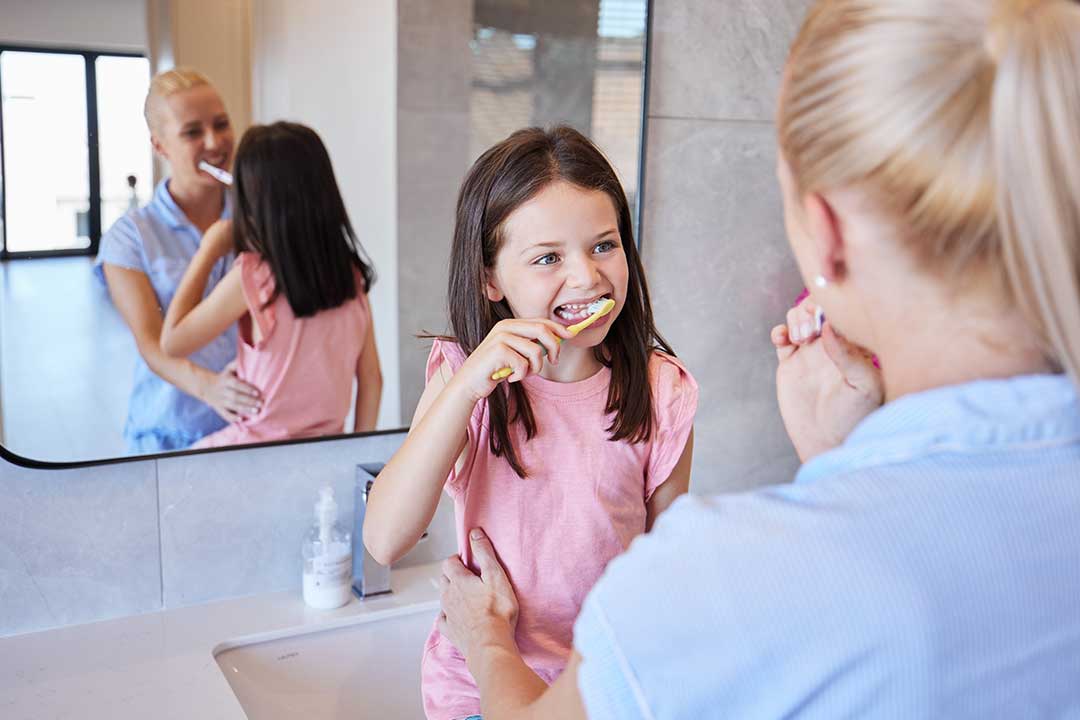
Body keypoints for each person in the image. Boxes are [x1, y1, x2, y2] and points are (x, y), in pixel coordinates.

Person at [436, 1, 1080, 717]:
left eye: (603, 244)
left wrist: (485, 639)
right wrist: (842, 463)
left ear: (826, 232)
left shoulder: (723, 580)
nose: (586, 275)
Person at [363, 126, 697, 720]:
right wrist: (468, 386)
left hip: (602, 690)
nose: (587, 278)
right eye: (548, 258)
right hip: (474, 691)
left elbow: (664, 577)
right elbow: (386, 540)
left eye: (604, 245)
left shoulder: (660, 391)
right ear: (490, 278)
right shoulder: (462, 378)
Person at [159, 122, 382, 447]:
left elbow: (172, 342)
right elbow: (372, 380)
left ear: (255, 200)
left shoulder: (253, 275)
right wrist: (354, 454)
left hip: (252, 454)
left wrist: (208, 250)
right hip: (326, 453)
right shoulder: (351, 276)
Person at [95, 68, 261, 453]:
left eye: (221, 125)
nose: (214, 142)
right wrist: (211, 389)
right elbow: (152, 345)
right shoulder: (129, 237)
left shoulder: (258, 219)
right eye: (192, 132)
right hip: (168, 431)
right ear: (160, 146)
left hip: (252, 427)